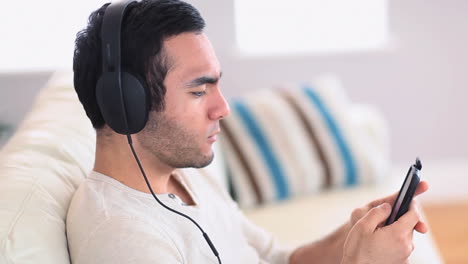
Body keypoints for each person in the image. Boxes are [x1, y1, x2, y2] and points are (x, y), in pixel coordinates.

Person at [67, 0, 430, 263]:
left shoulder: (186, 174)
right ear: (126, 104)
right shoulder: (123, 240)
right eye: (198, 91)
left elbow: (276, 258)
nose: (222, 108)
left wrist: (353, 236)